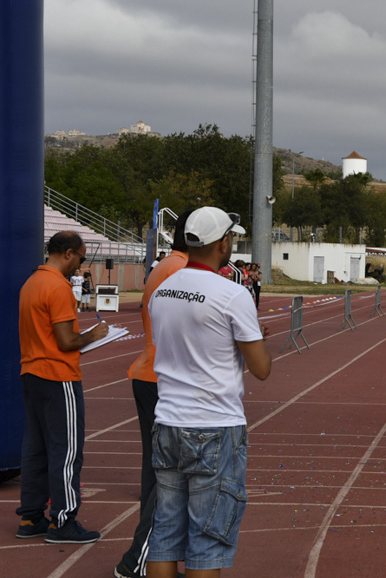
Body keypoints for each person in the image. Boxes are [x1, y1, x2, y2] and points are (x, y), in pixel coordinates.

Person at [145, 207, 271, 578]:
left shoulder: (161, 289)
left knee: (165, 532)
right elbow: (261, 368)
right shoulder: (232, 294)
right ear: (223, 243)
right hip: (214, 424)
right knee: (208, 540)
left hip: (167, 419)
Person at [15, 231, 109, 544]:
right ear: (68, 253)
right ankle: (63, 521)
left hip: (31, 371)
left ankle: (30, 516)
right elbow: (67, 341)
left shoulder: (31, 283)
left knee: (35, 448)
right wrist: (95, 335)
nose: (81, 264)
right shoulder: (58, 287)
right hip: (58, 376)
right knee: (66, 451)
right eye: (81, 258)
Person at [113, 210, 191, 578]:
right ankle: (139, 560)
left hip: (153, 373)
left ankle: (153, 557)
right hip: (164, 378)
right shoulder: (180, 272)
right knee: (171, 475)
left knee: (159, 472)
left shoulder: (167, 266)